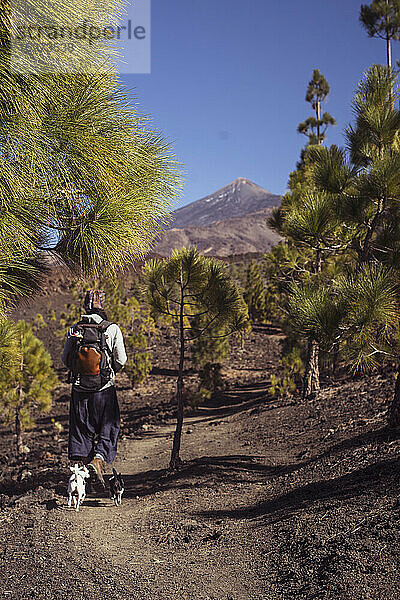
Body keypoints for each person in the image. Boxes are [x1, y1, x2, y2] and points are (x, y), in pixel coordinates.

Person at [62, 289, 127, 489]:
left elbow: (65, 360)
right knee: (109, 426)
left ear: (85, 306)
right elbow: (121, 360)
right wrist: (109, 373)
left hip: (80, 391)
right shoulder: (112, 328)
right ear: (102, 307)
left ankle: (84, 477)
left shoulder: (75, 329)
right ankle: (98, 460)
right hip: (104, 390)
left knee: (82, 431)